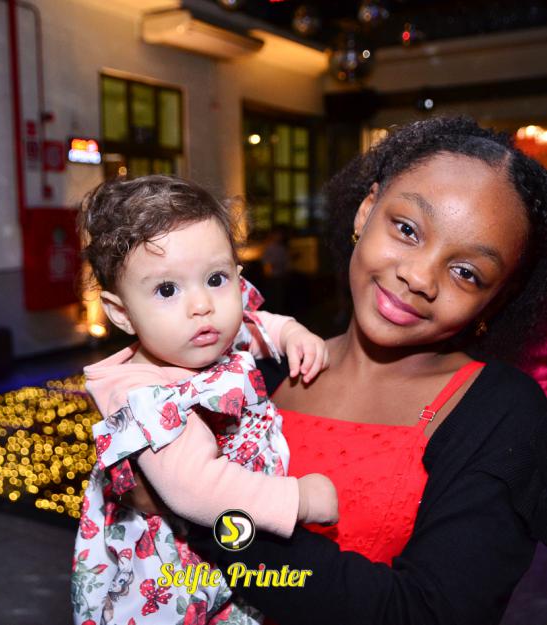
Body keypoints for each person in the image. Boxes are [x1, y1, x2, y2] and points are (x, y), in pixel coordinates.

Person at [156, 116, 547, 625]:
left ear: (495, 299)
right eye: (407, 230)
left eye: (466, 272)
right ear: (367, 209)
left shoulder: (502, 414)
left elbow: (423, 614)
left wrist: (203, 510)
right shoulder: (254, 368)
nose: (418, 276)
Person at [71, 175, 337, 625]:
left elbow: (254, 323)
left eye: (215, 279)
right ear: (122, 313)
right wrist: (297, 500)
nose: (202, 305)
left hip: (231, 542)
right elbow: (194, 488)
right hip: (177, 574)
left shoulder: (205, 335)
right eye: (167, 290)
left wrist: (291, 333)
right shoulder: (143, 395)